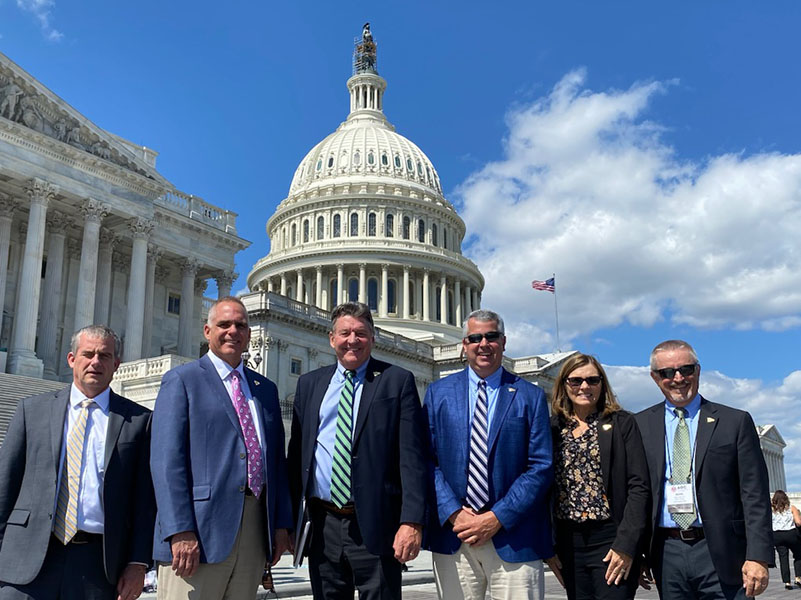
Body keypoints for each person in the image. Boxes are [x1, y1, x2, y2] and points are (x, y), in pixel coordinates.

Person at [150, 296, 292, 599]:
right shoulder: (182, 380)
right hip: (199, 530)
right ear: (207, 331)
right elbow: (166, 462)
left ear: (249, 334)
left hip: (254, 529)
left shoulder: (265, 389)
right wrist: (180, 530)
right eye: (224, 324)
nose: (233, 331)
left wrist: (280, 525)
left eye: (240, 325)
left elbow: (277, 463)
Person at [0, 325, 155, 600]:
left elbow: (145, 502)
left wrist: (138, 563)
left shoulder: (139, 421)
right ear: (72, 359)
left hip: (97, 565)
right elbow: (5, 485)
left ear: (116, 364)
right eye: (88, 354)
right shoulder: (31, 411)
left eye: (105, 356)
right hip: (26, 558)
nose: (96, 362)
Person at [287, 301, 428, 599]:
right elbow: (297, 457)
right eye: (345, 333)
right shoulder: (310, 384)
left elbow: (412, 459)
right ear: (331, 338)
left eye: (361, 333)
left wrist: (411, 521)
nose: (352, 340)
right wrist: (289, 523)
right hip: (322, 522)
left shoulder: (396, 380)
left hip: (376, 523)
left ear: (373, 338)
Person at [424, 309, 553, 600]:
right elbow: (425, 459)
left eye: (491, 336)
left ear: (504, 342)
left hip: (514, 535)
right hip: (455, 535)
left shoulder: (529, 396)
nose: (484, 344)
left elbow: (541, 466)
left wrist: (497, 517)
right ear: (464, 345)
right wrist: (454, 513)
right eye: (475, 337)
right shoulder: (438, 392)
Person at [636, 339, 773, 599]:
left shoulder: (734, 421)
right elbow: (636, 493)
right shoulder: (639, 425)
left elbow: (754, 493)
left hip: (722, 549)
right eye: (667, 372)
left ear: (698, 371)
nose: (678, 378)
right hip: (667, 551)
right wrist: (637, 551)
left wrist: (758, 556)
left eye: (686, 370)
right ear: (655, 378)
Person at [549, 353, 649, 600]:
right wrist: (547, 546)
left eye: (593, 380)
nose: (584, 386)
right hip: (568, 541)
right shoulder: (552, 427)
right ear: (564, 384)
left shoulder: (621, 423)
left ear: (602, 384)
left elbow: (639, 486)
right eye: (576, 380)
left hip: (610, 538)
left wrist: (627, 545)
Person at [771, 490, 801, 590]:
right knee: (798, 554)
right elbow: (798, 522)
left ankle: (787, 582)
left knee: (783, 558)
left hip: (777, 535)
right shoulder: (791, 508)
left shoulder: (771, 509)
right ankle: (798, 578)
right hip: (791, 534)